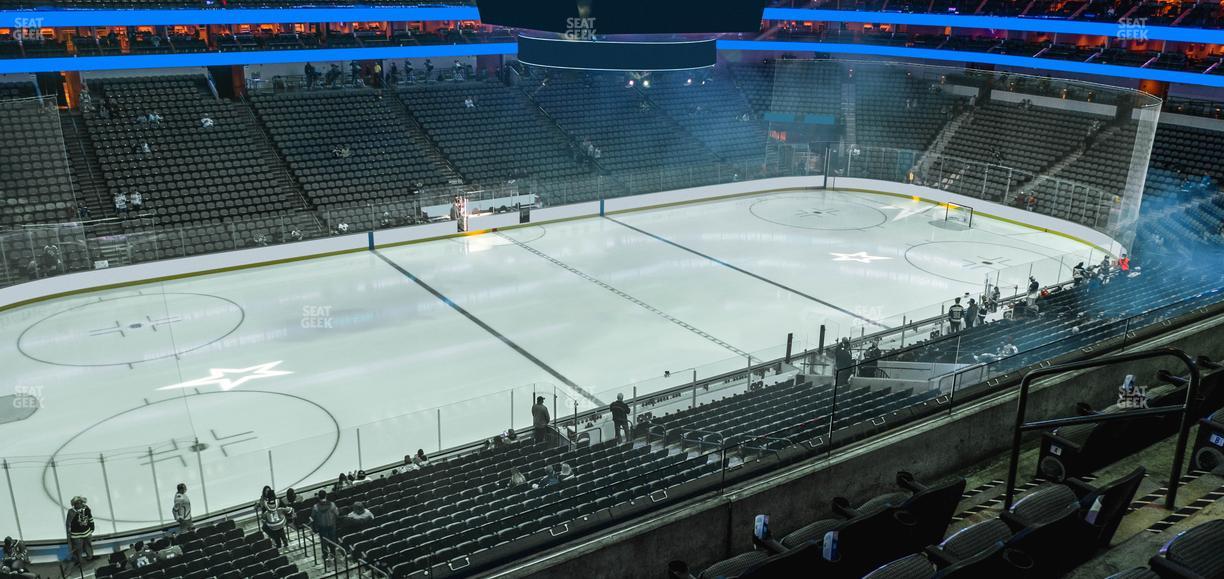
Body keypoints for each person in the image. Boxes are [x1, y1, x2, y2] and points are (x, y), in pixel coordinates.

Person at [310, 491, 340, 561]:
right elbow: (337, 514)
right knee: (332, 540)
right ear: (326, 496)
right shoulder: (332, 505)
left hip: (321, 527)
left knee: (323, 541)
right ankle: (333, 554)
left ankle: (325, 555)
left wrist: (313, 527)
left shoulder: (315, 507)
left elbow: (312, 517)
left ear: (318, 497)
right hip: (331, 525)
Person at [66, 496, 95, 565]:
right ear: (74, 504)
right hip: (76, 535)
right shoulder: (71, 512)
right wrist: (69, 534)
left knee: (88, 545)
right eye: (77, 503)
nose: (79, 504)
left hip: (87, 532)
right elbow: (68, 523)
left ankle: (90, 557)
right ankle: (79, 561)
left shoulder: (86, 509)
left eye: (80, 503)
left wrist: (92, 527)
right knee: (78, 549)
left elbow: (90, 518)